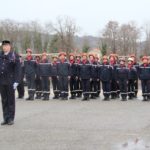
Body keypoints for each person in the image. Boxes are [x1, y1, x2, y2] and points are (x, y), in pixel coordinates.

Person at [0, 40, 21, 125]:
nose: (5, 47)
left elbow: (18, 70)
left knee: (10, 100)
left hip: (10, 81)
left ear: (10, 46)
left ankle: (11, 118)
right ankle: (6, 118)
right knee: (4, 100)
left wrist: (16, 81)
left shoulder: (14, 56)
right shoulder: (0, 55)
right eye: (3, 46)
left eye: (6, 45)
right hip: (2, 81)